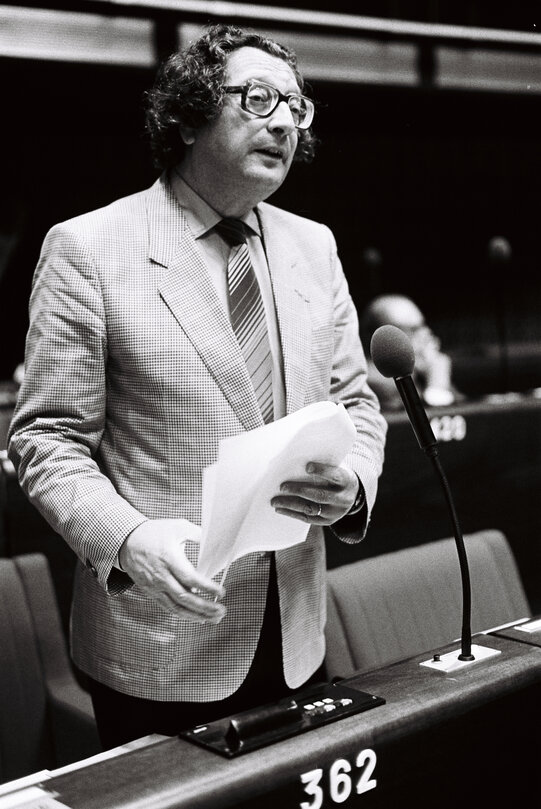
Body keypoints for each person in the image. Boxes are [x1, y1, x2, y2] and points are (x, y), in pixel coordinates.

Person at [8, 24, 386, 749]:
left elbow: (357, 402)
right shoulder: (87, 248)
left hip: (298, 631)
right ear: (185, 115)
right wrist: (130, 537)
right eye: (257, 98)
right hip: (160, 638)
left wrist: (356, 482)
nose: (283, 120)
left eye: (295, 107)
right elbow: (45, 441)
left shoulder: (315, 244)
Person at [360, 293, 458, 410]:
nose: (426, 334)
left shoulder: (423, 369)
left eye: (424, 326)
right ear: (385, 338)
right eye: (414, 329)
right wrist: (437, 382)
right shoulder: (375, 381)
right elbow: (422, 421)